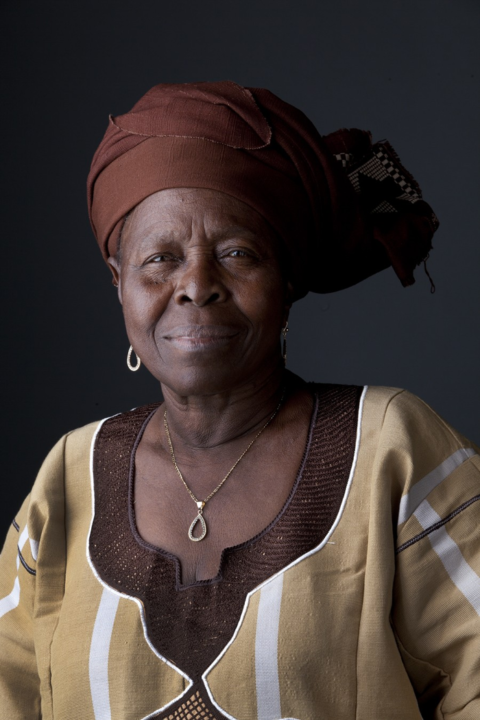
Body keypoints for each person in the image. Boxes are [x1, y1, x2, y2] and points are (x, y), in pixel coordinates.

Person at [0, 81, 478, 720]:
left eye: (237, 254)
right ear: (120, 286)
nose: (196, 286)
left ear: (286, 279)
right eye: (160, 260)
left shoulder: (392, 449)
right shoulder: (69, 475)